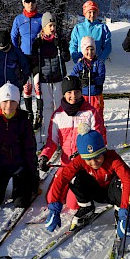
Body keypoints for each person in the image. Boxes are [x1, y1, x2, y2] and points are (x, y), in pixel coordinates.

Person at [44, 122, 130, 239]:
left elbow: (128, 179)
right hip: (95, 192)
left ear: (103, 151)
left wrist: (125, 209)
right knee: (74, 177)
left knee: (122, 181)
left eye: (97, 157)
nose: (94, 162)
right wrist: (54, 207)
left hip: (112, 193)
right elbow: (63, 178)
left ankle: (119, 214)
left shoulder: (112, 158)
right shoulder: (80, 160)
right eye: (89, 159)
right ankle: (86, 207)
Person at [38, 76, 106, 210]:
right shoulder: (57, 115)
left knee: (72, 205)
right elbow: (52, 142)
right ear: (63, 94)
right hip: (66, 165)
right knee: (52, 199)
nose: (73, 96)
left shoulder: (90, 112)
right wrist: (44, 156)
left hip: (84, 166)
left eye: (77, 92)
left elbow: (100, 139)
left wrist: (86, 154)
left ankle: (89, 190)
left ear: (81, 92)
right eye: (69, 92)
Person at [0, 82, 39, 208]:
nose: (9, 106)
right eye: (5, 101)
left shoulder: (24, 123)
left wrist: (34, 176)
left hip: (20, 167)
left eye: (13, 101)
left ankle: (22, 186)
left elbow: (30, 150)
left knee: (21, 202)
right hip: (0, 168)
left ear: (18, 102)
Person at [30, 12, 70, 140]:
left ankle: (60, 132)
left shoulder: (60, 40)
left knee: (59, 105)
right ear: (44, 27)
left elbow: (66, 58)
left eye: (54, 25)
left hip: (58, 78)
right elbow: (34, 61)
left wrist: (61, 46)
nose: (53, 28)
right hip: (45, 79)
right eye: (50, 25)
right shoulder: (38, 42)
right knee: (47, 106)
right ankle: (49, 134)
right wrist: (36, 74)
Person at [11, 0, 43, 121]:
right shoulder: (18, 19)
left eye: (33, 1)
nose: (30, 4)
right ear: (23, 3)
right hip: (24, 57)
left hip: (38, 57)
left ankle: (39, 112)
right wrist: (17, 53)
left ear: (36, 3)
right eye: (27, 1)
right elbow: (13, 37)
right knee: (27, 86)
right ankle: (29, 112)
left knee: (38, 85)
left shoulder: (41, 18)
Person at [70, 36, 106, 120]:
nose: (90, 52)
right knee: (83, 116)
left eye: (92, 49)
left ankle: (99, 132)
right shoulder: (79, 65)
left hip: (96, 96)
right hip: (83, 96)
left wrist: (92, 79)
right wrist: (81, 79)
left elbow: (101, 78)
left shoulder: (99, 63)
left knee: (97, 116)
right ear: (83, 50)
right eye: (87, 49)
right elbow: (73, 79)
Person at [0, 30, 30, 104]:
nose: (3, 50)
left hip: (15, 84)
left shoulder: (17, 53)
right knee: (1, 107)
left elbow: (25, 67)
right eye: (1, 49)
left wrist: (22, 80)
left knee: (13, 107)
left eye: (5, 48)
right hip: (0, 84)